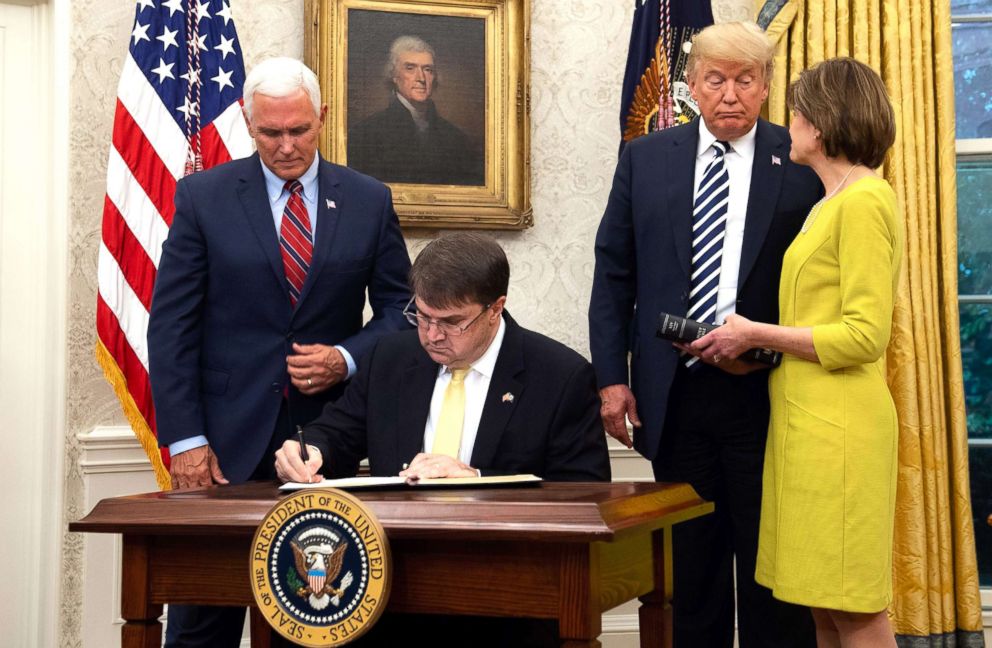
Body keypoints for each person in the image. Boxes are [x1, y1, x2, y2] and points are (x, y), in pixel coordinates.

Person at [147, 56, 411, 647]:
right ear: (247, 122)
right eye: (271, 133)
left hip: (329, 443)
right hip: (221, 446)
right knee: (201, 624)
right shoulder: (203, 197)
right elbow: (172, 327)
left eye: (300, 130)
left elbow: (403, 312)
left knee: (321, 616)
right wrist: (186, 440)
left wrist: (345, 357)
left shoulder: (368, 199)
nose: (287, 146)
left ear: (321, 118)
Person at [589, 21, 822, 648]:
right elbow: (614, 274)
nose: (730, 94)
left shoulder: (800, 163)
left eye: (745, 80)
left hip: (770, 395)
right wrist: (612, 379)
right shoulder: (645, 157)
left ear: (767, 86)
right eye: (715, 79)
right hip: (676, 396)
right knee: (692, 577)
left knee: (775, 580)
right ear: (691, 85)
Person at [686, 57, 901, 648]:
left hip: (841, 431)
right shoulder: (826, 203)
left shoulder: (864, 201)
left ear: (823, 124)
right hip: (806, 424)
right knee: (820, 607)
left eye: (799, 109)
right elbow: (818, 325)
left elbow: (864, 335)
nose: (791, 120)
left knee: (854, 607)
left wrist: (757, 333)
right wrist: (744, 350)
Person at [275, 232, 610, 485]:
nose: (432, 335)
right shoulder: (390, 358)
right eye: (422, 317)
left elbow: (583, 491)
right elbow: (338, 433)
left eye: (451, 322)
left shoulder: (560, 377)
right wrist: (310, 451)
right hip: (396, 552)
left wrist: (477, 478)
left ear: (495, 308)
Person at [348, 35, 484, 186]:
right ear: (394, 75)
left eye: (428, 69)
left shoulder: (457, 140)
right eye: (410, 68)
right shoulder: (364, 135)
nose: (421, 78)